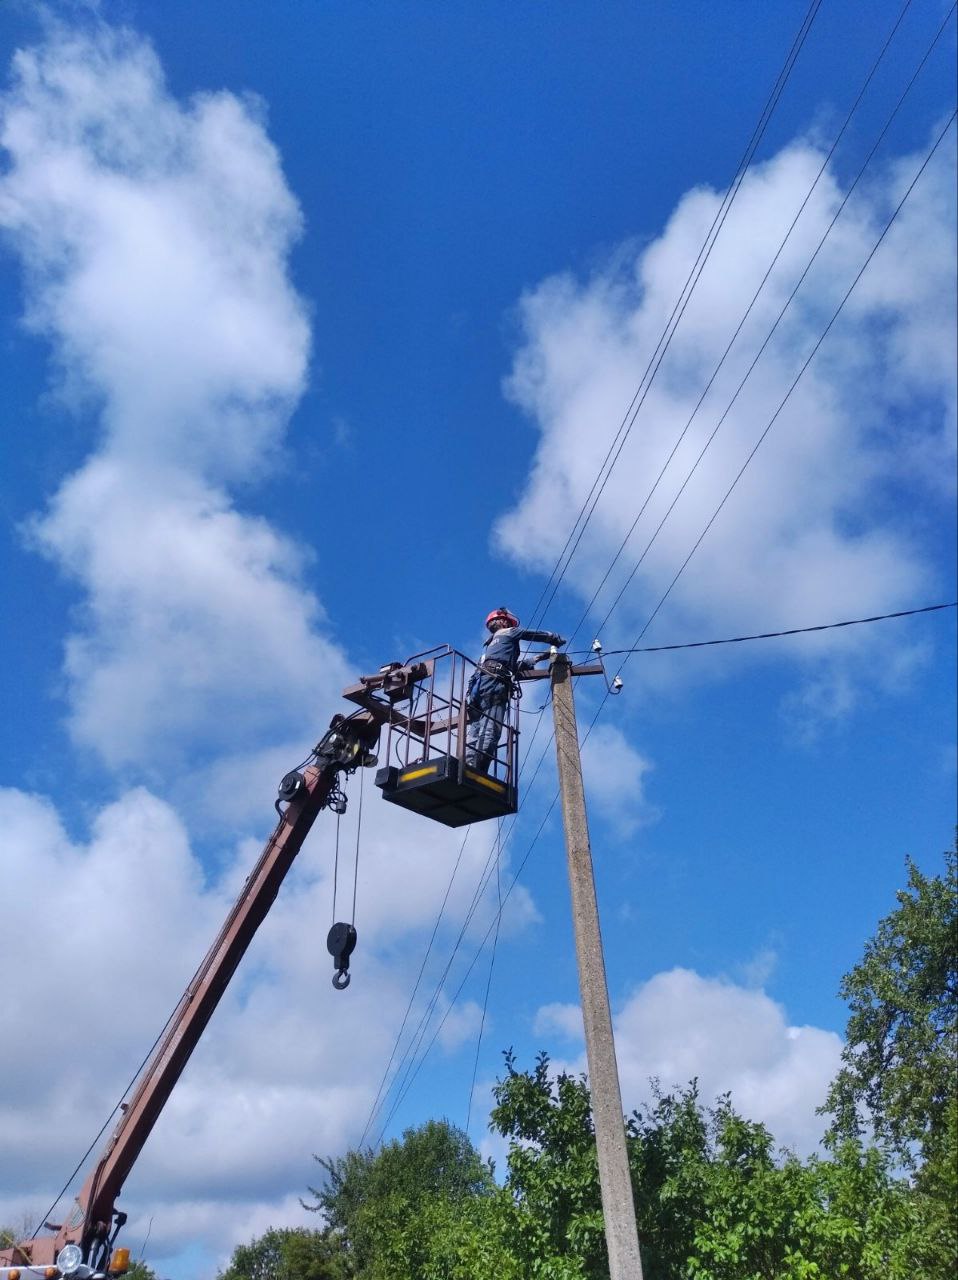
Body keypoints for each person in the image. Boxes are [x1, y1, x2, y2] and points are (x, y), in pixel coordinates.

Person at [465, 607, 565, 773]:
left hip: (477, 689)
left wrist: (539, 657)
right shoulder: (509, 632)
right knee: (491, 729)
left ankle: (467, 765)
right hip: (494, 685)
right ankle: (477, 772)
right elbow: (534, 634)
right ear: (504, 622)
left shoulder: (489, 648)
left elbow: (510, 666)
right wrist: (554, 638)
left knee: (475, 732)